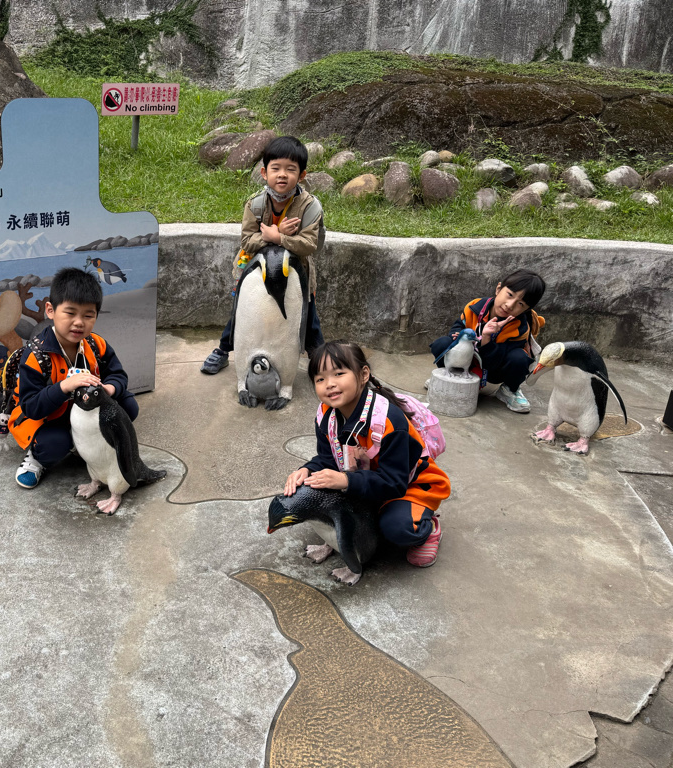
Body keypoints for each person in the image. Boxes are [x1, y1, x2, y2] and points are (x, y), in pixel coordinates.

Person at [284, 341, 451, 568]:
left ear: (363, 374)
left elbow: (395, 482)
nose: (329, 384)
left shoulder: (388, 421)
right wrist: (307, 469)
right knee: (311, 489)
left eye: (339, 374)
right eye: (320, 379)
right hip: (366, 478)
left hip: (410, 484)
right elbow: (328, 458)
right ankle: (343, 536)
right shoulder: (326, 414)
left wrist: (345, 480)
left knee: (395, 528)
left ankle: (427, 529)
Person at [200, 135, 325, 374]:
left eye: (290, 169)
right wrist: (274, 235)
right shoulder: (255, 204)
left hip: (298, 272)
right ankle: (224, 350)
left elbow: (309, 244)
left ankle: (320, 361)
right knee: (240, 312)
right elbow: (247, 241)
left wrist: (278, 238)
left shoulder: (310, 206)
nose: (282, 175)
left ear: (302, 175)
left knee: (309, 317)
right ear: (264, 172)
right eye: (275, 168)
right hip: (254, 271)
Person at [7, 267, 137, 488]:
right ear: (50, 310)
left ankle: (87, 445)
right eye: (70, 313)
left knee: (128, 407)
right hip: (48, 418)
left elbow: (117, 374)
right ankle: (36, 458)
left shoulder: (95, 344)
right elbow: (31, 407)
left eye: (88, 315)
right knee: (54, 444)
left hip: (84, 413)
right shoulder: (36, 355)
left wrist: (109, 389)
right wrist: (64, 387)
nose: (79, 322)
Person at [429, 269, 546, 413]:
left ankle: (509, 389)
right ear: (498, 289)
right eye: (510, 295)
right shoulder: (475, 306)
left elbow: (493, 363)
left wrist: (486, 339)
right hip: (467, 360)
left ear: (527, 309)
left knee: (520, 358)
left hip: (494, 370)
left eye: (521, 304)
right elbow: (458, 326)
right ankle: (451, 376)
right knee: (442, 344)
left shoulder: (519, 328)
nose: (510, 305)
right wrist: (458, 336)